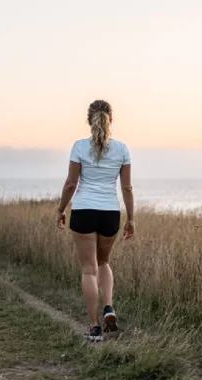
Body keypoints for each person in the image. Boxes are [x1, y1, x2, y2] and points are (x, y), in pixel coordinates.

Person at [55, 99, 135, 342]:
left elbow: (71, 184)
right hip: (110, 213)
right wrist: (131, 219)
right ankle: (108, 307)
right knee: (103, 263)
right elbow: (127, 187)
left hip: (84, 211)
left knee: (88, 269)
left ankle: (94, 327)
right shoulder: (122, 149)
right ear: (111, 120)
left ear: (89, 120)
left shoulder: (79, 147)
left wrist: (60, 209)